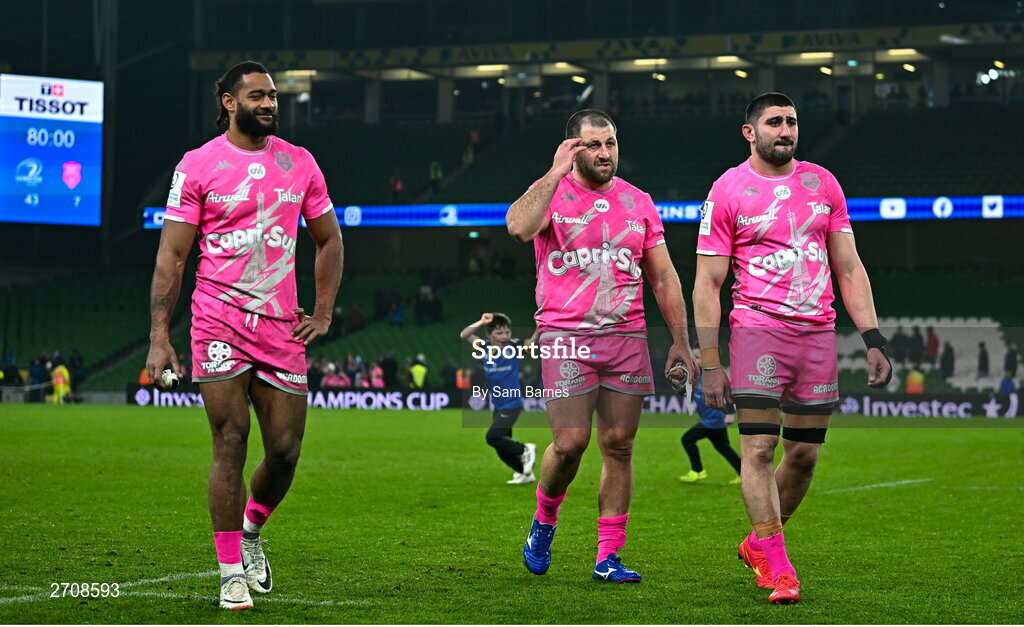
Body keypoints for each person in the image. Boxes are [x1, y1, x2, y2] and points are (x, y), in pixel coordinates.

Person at [145, 61, 343, 611]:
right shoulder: (198, 165)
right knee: (230, 440)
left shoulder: (299, 163)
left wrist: (323, 312)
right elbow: (173, 254)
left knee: (284, 451)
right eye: (257, 96)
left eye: (273, 96)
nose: (270, 104)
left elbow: (329, 241)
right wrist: (161, 335)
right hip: (218, 321)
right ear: (228, 102)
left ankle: (252, 530)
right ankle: (230, 568)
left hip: (281, 326)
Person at [693, 93, 891, 605]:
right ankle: (780, 568)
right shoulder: (727, 189)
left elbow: (849, 268)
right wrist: (710, 361)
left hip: (817, 333)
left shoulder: (823, 184)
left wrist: (872, 338)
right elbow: (708, 283)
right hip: (758, 329)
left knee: (802, 457)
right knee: (758, 449)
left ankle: (758, 542)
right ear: (749, 132)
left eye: (792, 122)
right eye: (774, 122)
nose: (785, 130)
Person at [507, 109, 698, 583]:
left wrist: (681, 342)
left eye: (610, 143)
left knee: (619, 444)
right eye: (593, 145)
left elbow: (663, 276)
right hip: (565, 334)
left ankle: (608, 556)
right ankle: (544, 520)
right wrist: (554, 172)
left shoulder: (638, 201)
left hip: (626, 334)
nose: (605, 152)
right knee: (570, 444)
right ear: (572, 148)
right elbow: (518, 228)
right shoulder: (551, 192)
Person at [460, 312, 538, 485]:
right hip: (499, 404)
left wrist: (539, 328)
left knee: (492, 437)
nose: (505, 336)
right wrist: (481, 321)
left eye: (507, 332)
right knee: (501, 446)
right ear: (489, 335)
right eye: (499, 333)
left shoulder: (514, 346)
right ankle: (524, 473)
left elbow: (531, 344)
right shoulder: (484, 347)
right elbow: (464, 334)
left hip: (512, 403)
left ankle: (525, 449)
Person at [678, 359, 741, 485]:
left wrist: (730, 414)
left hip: (712, 421)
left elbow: (725, 392)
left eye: (697, 356)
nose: (694, 360)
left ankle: (698, 471)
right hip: (710, 420)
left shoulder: (709, 378)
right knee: (723, 447)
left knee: (687, 439)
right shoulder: (693, 380)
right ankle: (744, 474)